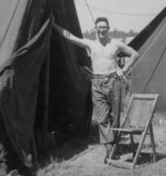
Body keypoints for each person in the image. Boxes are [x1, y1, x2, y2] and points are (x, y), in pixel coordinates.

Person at [53, 17, 139, 163]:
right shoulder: (90, 44)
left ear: (108, 28)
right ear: (95, 29)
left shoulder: (116, 44)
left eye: (104, 27)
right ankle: (109, 150)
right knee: (102, 117)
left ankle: (115, 145)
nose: (102, 30)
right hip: (97, 82)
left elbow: (135, 54)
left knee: (115, 116)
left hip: (113, 82)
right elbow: (69, 36)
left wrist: (123, 70)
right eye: (99, 27)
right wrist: (54, 24)